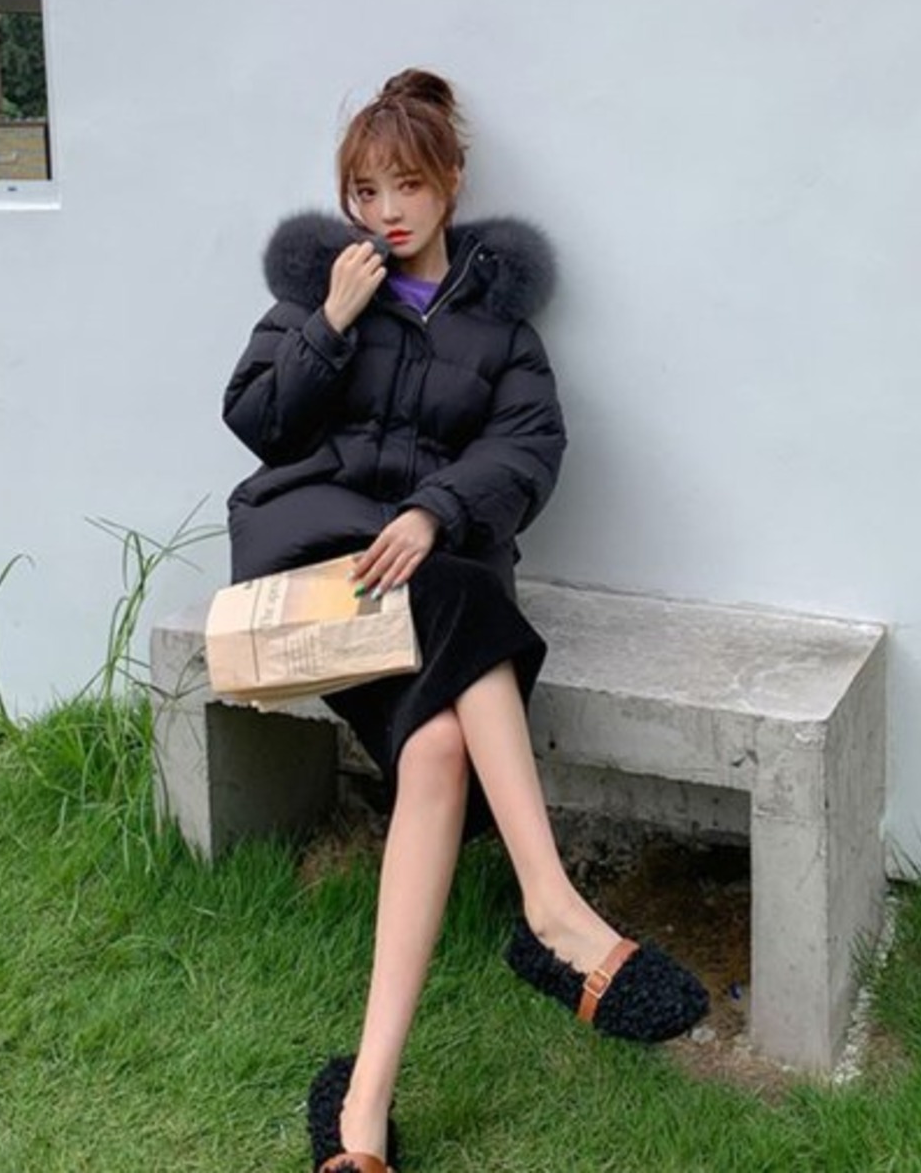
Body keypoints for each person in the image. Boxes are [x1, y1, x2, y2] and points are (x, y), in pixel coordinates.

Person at [223, 69, 708, 1173]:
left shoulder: (499, 330)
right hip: (318, 575)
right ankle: (550, 907)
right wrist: (330, 323)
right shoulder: (318, 292)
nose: (386, 211)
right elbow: (258, 423)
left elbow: (530, 448)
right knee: (471, 597)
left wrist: (434, 509)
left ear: (450, 182)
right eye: (365, 190)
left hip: (426, 580)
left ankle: (361, 1111)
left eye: (406, 184)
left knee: (437, 746)